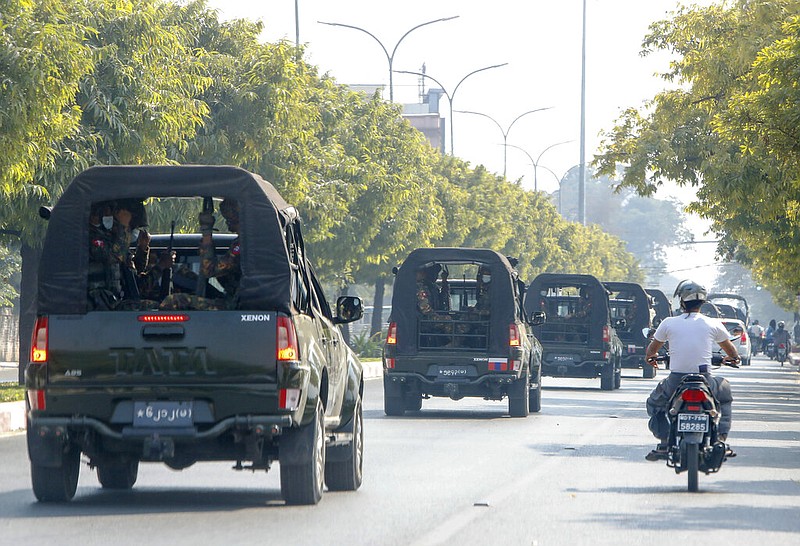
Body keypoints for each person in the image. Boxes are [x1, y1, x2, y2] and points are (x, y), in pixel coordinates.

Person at [643, 279, 739, 461]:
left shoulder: (668, 323)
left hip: (675, 380)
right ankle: (721, 439)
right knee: (724, 395)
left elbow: (652, 350)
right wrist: (732, 358)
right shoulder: (713, 323)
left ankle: (664, 442)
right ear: (703, 302)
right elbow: (732, 352)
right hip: (706, 380)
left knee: (655, 403)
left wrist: (651, 359)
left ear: (682, 302)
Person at [160, 198, 242, 310]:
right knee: (183, 274)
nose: (226, 221)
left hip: (235, 306)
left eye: (228, 217)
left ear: (236, 217)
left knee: (174, 301)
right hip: (233, 299)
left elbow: (209, 270)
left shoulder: (242, 244)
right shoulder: (244, 241)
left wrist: (207, 233)